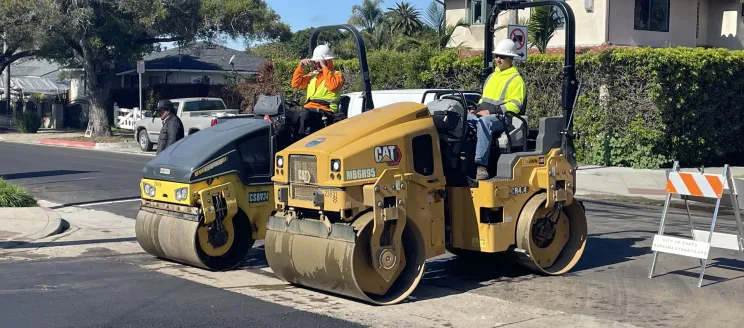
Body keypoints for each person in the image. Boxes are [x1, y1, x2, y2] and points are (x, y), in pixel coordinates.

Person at [468, 38, 526, 180]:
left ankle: (481, 166)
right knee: (462, 120)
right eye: (497, 56)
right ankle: (460, 161)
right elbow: (483, 100)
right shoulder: (491, 77)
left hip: (504, 119)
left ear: (511, 58)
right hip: (485, 115)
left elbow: (515, 105)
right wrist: (474, 110)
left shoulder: (516, 79)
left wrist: (491, 111)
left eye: (502, 56)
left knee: (485, 122)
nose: (498, 59)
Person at [289, 44, 345, 138]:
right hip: (309, 110)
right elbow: (295, 84)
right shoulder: (313, 75)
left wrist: (324, 67)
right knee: (289, 116)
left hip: (326, 111)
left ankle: (300, 140)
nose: (317, 65)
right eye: (315, 63)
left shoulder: (337, 75)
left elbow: (332, 86)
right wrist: (300, 67)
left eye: (319, 62)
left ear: (328, 61)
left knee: (304, 115)